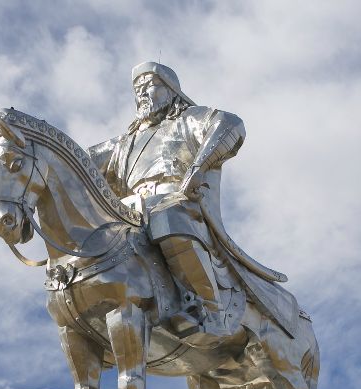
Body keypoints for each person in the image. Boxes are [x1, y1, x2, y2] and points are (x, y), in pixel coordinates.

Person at [88, 62, 249, 336]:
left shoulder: (188, 119)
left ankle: (210, 308)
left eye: (149, 85)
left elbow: (230, 124)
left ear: (170, 90)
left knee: (166, 219)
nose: (141, 93)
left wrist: (198, 168)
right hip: (130, 210)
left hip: (175, 201)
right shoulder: (125, 142)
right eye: (137, 89)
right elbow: (83, 161)